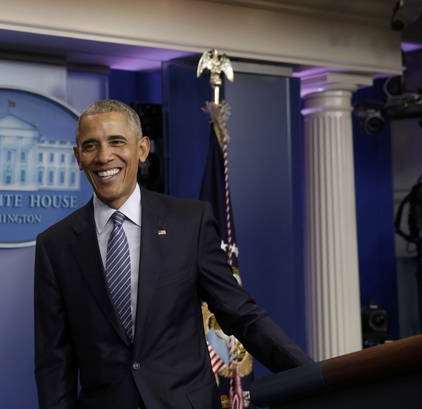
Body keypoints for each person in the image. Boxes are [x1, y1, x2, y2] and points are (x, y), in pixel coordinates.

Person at [34, 99, 313, 409]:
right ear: (77, 157)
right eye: (90, 146)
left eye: (116, 142)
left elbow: (241, 314)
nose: (103, 156)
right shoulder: (55, 245)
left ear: (142, 149)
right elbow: (53, 361)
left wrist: (312, 377)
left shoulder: (188, 223)